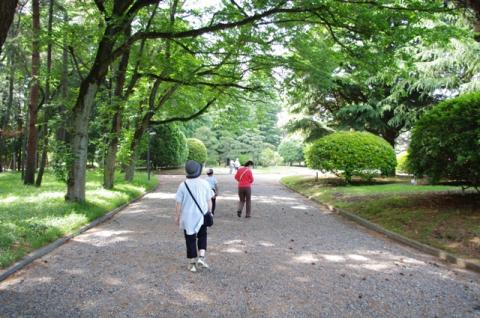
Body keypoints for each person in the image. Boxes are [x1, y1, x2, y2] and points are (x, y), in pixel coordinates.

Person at [175, 160, 214, 272]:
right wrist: (209, 212)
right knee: (203, 235)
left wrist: (177, 216)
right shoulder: (205, 183)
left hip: (188, 216)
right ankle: (201, 257)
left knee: (190, 238)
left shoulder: (183, 185)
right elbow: (209, 201)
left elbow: (178, 203)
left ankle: (192, 263)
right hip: (202, 215)